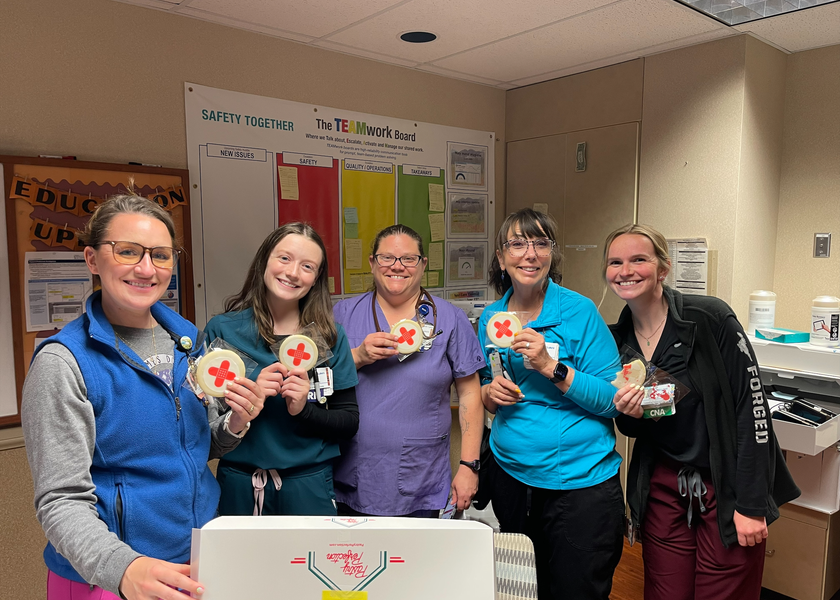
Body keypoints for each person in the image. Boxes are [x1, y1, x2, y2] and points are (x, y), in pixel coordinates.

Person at [22, 195, 263, 600]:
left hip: (195, 562)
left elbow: (192, 449)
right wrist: (123, 568)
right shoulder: (64, 363)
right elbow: (61, 501)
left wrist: (235, 424)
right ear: (92, 259)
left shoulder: (188, 342)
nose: (146, 268)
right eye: (128, 251)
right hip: (111, 576)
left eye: (162, 255)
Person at [603, 224, 800, 600]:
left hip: (725, 483)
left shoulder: (710, 319)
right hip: (662, 486)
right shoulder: (618, 340)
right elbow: (638, 424)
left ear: (662, 268)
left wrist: (752, 504)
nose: (625, 270)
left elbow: (752, 410)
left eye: (638, 259)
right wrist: (628, 412)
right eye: (615, 262)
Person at [478, 208, 625, 600]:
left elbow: (614, 400)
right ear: (500, 257)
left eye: (540, 243)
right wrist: (489, 394)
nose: (530, 254)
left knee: (576, 591)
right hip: (512, 479)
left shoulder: (580, 312)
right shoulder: (491, 318)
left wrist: (550, 367)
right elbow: (484, 386)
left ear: (552, 254)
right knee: (522, 589)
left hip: (580, 489)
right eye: (517, 244)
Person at [205, 223, 358, 516]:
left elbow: (349, 423)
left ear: (316, 279)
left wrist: (303, 410)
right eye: (284, 258)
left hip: (308, 485)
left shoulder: (327, 338)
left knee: (310, 563)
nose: (292, 272)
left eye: (307, 266)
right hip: (239, 482)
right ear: (264, 260)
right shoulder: (223, 331)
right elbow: (203, 423)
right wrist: (250, 399)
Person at [332, 224, 485, 517]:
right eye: (386, 258)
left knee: (417, 560)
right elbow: (318, 380)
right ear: (372, 263)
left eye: (408, 259)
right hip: (354, 472)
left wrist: (469, 466)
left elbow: (469, 394)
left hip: (422, 474)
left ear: (423, 264)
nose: (397, 267)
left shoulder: (450, 318)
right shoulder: (342, 315)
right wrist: (358, 356)